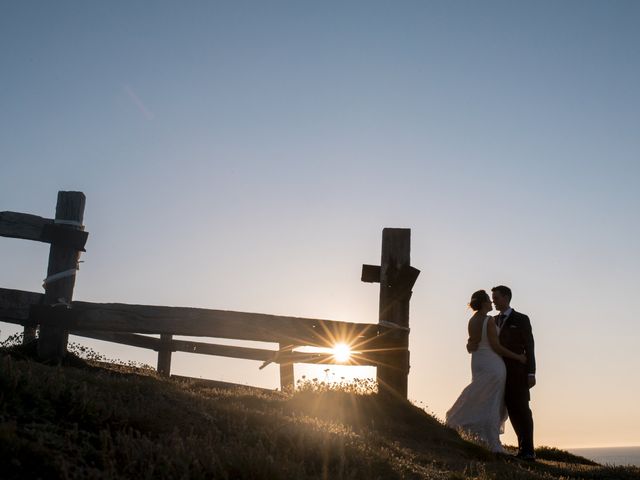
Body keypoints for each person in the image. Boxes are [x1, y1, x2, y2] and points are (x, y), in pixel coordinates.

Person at [446, 290, 526, 453]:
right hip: (492, 364)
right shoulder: (489, 320)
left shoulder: (472, 320)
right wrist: (518, 357)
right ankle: (489, 439)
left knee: (479, 393)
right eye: (489, 301)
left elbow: (471, 344)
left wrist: (470, 347)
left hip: (478, 361)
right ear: (484, 303)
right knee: (491, 401)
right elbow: (496, 347)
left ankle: (469, 428)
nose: (492, 303)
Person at [491, 285, 536, 460]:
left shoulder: (522, 319)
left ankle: (527, 450)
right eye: (492, 298)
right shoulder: (492, 320)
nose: (493, 301)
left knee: (521, 410)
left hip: (518, 372)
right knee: (504, 408)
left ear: (506, 297)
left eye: (496, 298)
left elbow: (530, 347)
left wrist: (531, 372)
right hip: (496, 372)